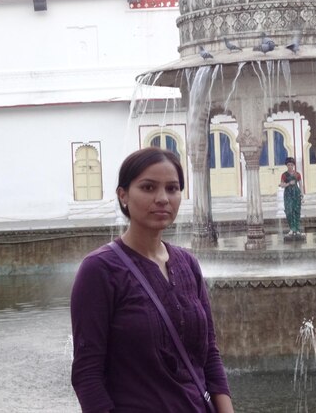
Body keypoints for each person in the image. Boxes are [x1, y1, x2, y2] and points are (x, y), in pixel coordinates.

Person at [71, 147, 234, 413]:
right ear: (123, 195)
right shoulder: (100, 270)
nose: (162, 198)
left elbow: (209, 355)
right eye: (148, 188)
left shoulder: (187, 264)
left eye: (172, 189)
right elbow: (87, 374)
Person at [279, 157, 303, 235]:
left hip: (296, 193)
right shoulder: (284, 175)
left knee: (296, 211)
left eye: (291, 165)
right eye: (288, 165)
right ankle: (291, 228)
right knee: (289, 211)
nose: (290, 166)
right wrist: (289, 183)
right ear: (286, 165)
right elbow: (282, 185)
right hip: (288, 194)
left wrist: (302, 193)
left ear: (293, 165)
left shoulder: (297, 174)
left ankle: (297, 228)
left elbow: (301, 185)